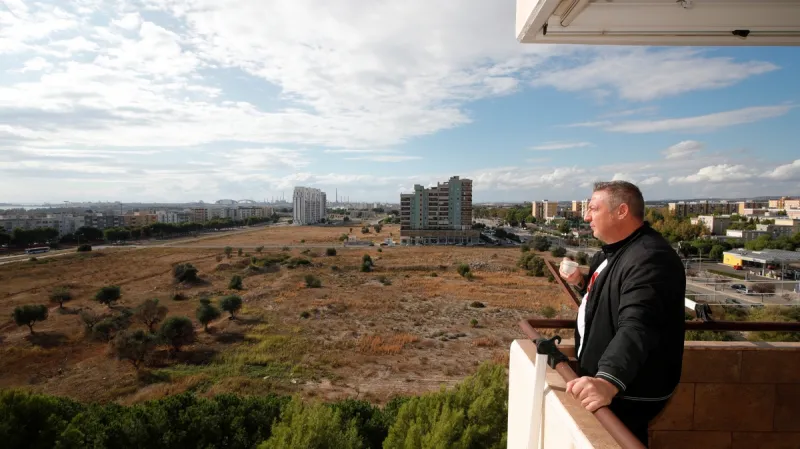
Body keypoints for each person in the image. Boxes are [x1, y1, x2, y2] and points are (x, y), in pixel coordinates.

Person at [559, 181, 685, 447]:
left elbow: (639, 325)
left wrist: (607, 381)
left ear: (622, 211)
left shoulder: (651, 259)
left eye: (593, 208)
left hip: (628, 391)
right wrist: (582, 283)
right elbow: (610, 302)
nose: (586, 216)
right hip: (616, 385)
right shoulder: (614, 254)